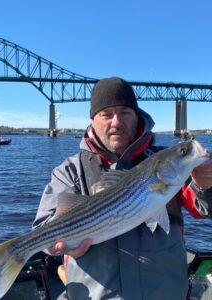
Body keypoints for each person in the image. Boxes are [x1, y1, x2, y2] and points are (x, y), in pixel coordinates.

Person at [33, 77, 212, 300]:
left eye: (125, 112)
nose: (116, 122)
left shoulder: (167, 162)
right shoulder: (70, 171)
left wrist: (206, 185)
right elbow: (43, 227)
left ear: (137, 116)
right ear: (92, 121)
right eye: (106, 114)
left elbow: (203, 209)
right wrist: (60, 246)